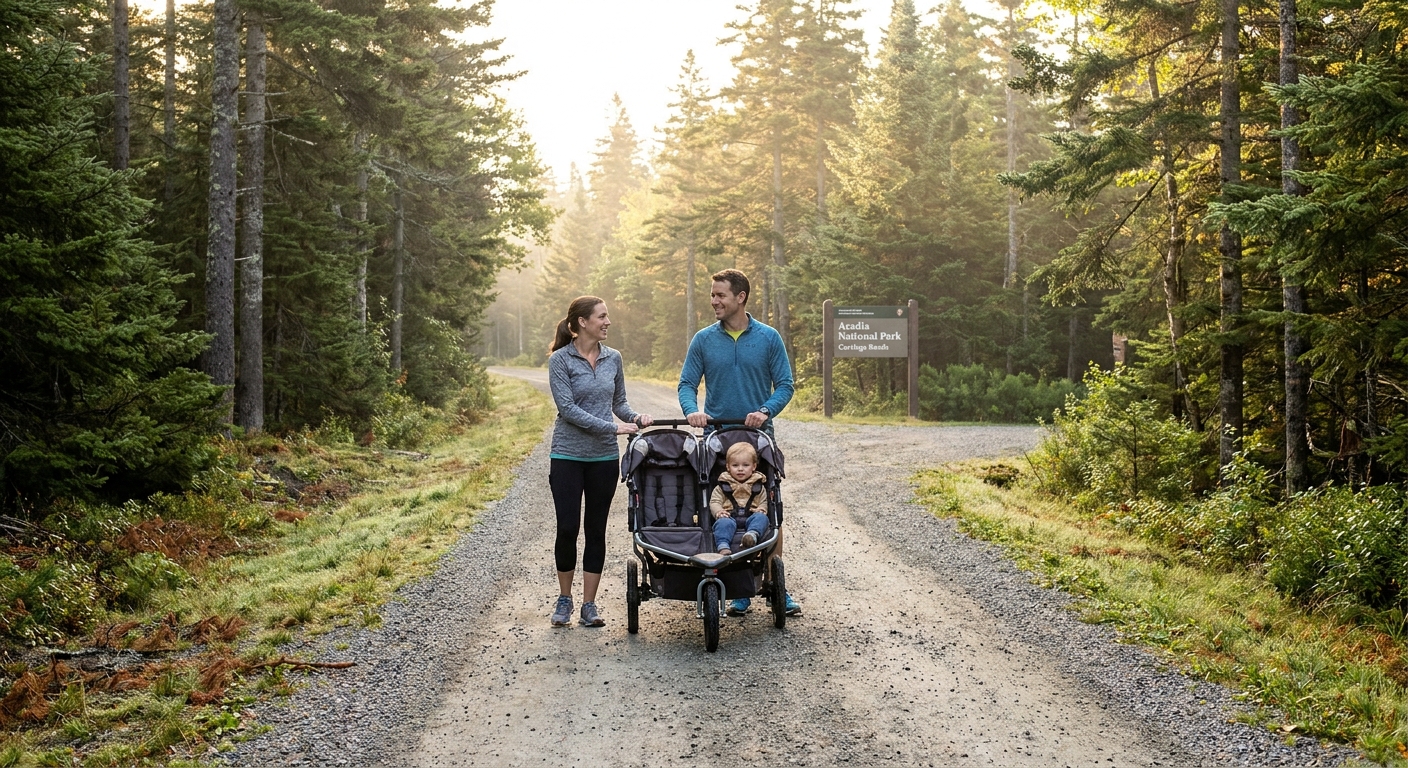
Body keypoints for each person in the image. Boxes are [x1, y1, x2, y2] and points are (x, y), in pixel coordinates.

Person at [679, 268, 800, 616]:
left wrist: (765, 410)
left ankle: (776, 586)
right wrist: (692, 412)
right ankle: (737, 589)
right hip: (717, 442)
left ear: (740, 297)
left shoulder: (768, 337)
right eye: (713, 295)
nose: (714, 301)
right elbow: (687, 384)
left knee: (768, 510)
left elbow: (786, 385)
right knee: (722, 511)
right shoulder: (703, 339)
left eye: (720, 295)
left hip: (760, 440)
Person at [547, 296, 652, 628]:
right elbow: (568, 410)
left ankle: (589, 605)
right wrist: (613, 427)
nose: (608, 322)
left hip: (604, 458)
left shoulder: (613, 358)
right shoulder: (560, 360)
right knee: (567, 528)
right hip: (567, 456)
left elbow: (619, 402)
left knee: (596, 530)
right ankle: (565, 599)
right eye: (602, 316)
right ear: (582, 322)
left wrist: (635, 417)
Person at [710, 442, 768, 556]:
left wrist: (762, 508)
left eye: (745, 465)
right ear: (728, 467)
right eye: (735, 465)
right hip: (729, 517)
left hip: (751, 516)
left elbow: (763, 501)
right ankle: (723, 546)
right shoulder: (722, 485)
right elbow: (714, 501)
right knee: (722, 523)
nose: (740, 469)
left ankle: (751, 535)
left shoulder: (758, 486)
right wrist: (718, 511)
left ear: (754, 467)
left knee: (762, 518)